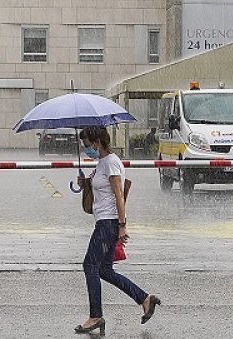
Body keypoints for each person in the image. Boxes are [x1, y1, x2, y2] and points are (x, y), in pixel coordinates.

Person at [75, 125, 161, 335]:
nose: (86, 149)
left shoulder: (111, 163)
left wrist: (122, 225)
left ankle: (95, 316)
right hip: (104, 221)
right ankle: (144, 299)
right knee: (104, 270)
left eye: (87, 145)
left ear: (97, 142)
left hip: (109, 222)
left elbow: (118, 195)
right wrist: (85, 182)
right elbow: (101, 189)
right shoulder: (102, 163)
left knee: (90, 265)